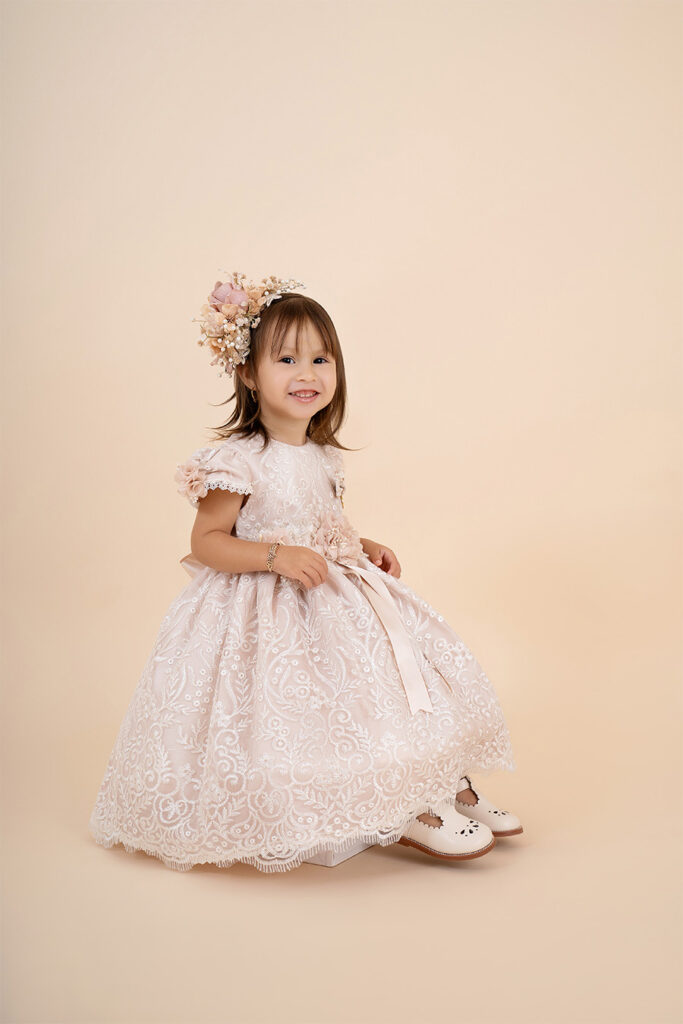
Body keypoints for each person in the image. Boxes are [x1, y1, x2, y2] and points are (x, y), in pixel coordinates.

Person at [88, 270, 523, 874]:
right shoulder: (237, 460)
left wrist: (361, 544)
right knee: (305, 712)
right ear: (248, 373)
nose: (307, 374)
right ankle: (403, 809)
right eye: (287, 359)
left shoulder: (322, 456)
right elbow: (207, 542)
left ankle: (438, 785)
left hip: (332, 598)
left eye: (321, 359)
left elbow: (318, 523)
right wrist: (275, 557)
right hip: (266, 614)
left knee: (385, 688)